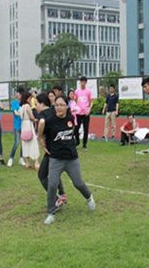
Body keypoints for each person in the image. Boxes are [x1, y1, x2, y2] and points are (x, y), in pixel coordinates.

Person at [38, 95, 95, 225]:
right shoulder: (50, 120)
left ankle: (89, 198)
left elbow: (72, 131)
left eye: (61, 105)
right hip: (55, 159)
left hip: (71, 158)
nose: (58, 107)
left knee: (78, 183)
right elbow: (41, 129)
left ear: (66, 106)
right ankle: (50, 213)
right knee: (52, 185)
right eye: (56, 105)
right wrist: (40, 139)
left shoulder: (70, 117)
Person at [36, 93, 67, 210]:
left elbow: (42, 123)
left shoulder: (42, 114)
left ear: (42, 103)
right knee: (55, 172)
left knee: (42, 175)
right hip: (61, 147)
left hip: (52, 151)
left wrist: (39, 137)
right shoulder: (54, 110)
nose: (36, 107)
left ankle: (56, 199)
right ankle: (62, 194)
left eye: (37, 104)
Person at [19, 90, 40, 170]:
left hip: (23, 126)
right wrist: (35, 120)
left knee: (25, 143)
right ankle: (36, 162)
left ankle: (27, 162)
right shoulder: (27, 106)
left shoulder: (21, 107)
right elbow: (31, 117)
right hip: (29, 125)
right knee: (33, 142)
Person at [75, 76, 93, 150]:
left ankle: (84, 144)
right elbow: (74, 101)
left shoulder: (88, 91)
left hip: (86, 113)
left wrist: (89, 109)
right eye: (81, 82)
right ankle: (77, 141)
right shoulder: (77, 91)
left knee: (86, 129)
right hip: (78, 113)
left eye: (84, 82)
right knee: (76, 128)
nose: (83, 83)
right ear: (80, 82)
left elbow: (91, 101)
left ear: (86, 82)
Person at [8, 87, 25, 167]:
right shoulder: (14, 102)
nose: (17, 94)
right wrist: (22, 114)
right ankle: (11, 158)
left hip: (24, 125)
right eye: (17, 93)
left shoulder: (24, 103)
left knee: (23, 143)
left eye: (18, 93)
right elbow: (15, 113)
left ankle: (21, 158)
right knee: (16, 142)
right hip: (17, 126)